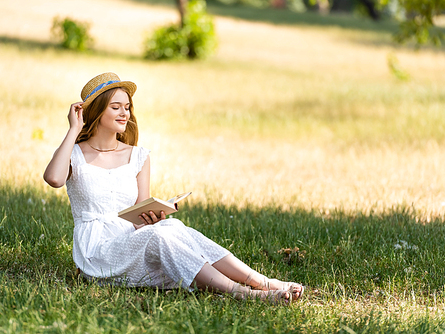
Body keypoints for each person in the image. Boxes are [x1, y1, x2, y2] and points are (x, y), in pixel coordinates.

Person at [43, 72, 304, 304]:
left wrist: (153, 216)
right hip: (98, 251)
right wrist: (74, 130)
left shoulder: (138, 156)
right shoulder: (74, 154)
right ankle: (242, 292)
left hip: (131, 239)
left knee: (171, 228)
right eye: (115, 107)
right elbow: (54, 179)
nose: (125, 113)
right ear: (97, 112)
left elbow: (138, 217)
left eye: (127, 107)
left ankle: (261, 281)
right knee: (160, 236)